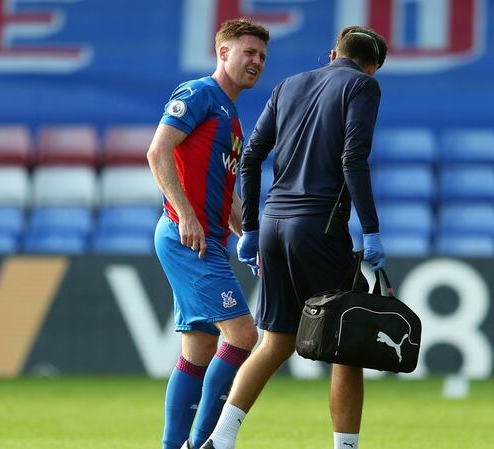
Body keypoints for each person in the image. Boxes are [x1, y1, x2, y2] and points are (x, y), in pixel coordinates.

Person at [199, 26, 388, 449]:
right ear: (372, 67)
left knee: (277, 341)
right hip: (318, 228)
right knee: (347, 344)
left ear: (333, 51)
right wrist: (371, 230)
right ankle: (346, 447)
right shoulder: (363, 88)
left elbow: (250, 157)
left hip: (273, 226)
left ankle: (221, 439)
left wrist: (250, 228)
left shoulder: (288, 85)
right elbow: (353, 157)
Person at [146, 18, 269, 449]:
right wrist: (186, 215)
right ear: (223, 52)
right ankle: (204, 443)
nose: (256, 62)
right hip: (187, 237)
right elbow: (157, 151)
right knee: (243, 335)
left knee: (197, 351)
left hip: (205, 237)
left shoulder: (231, 119)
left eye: (261, 57)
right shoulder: (199, 93)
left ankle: (174, 446)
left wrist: (246, 236)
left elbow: (226, 197)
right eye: (248, 52)